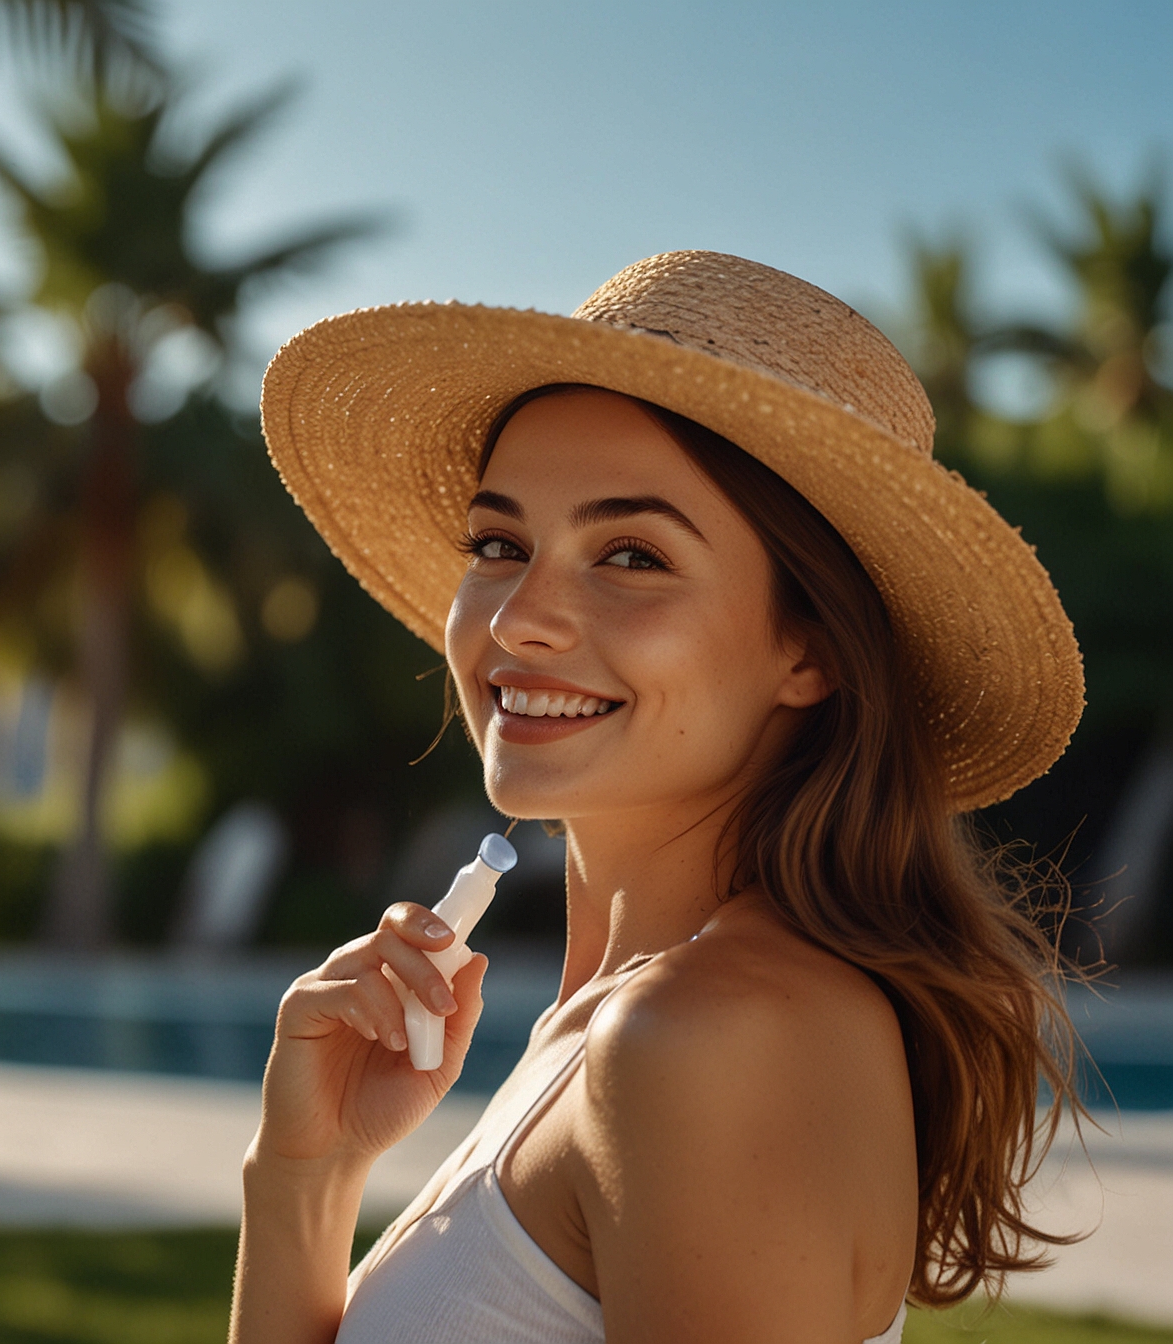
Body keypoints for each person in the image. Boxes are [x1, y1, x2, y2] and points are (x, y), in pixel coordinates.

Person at [230, 252, 1086, 1344]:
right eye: (499, 544)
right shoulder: (616, 1019)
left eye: (630, 555)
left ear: (807, 651)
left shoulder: (704, 1037)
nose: (519, 617)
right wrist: (305, 1169)